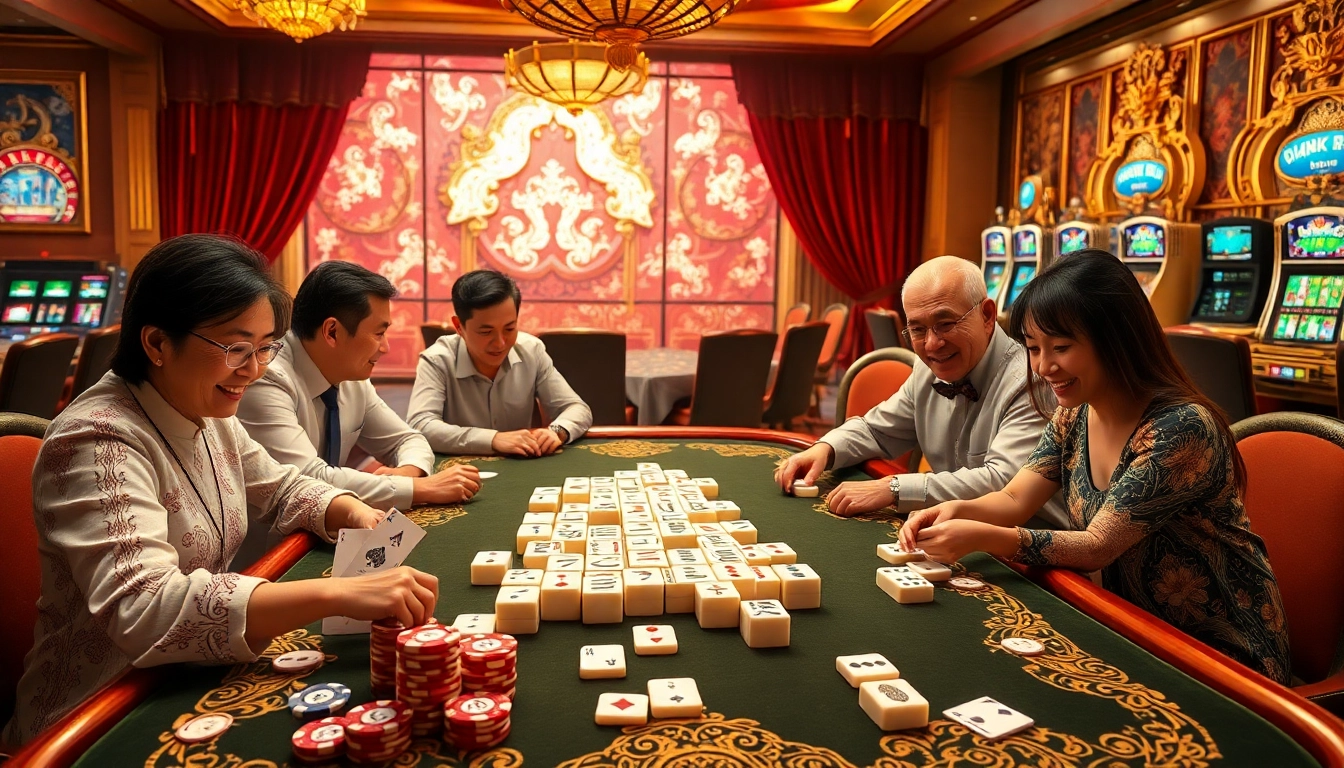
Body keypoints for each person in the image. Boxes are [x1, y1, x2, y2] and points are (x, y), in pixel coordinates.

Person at [3, 235, 439, 746]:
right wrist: (336, 593)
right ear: (158, 343)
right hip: (91, 720)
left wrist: (356, 514)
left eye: (264, 348)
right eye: (235, 348)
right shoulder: (96, 438)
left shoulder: (206, 412)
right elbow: (145, 606)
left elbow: (284, 487)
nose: (253, 371)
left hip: (182, 679)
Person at [898, 250, 1290, 683]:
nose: (1044, 367)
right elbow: (1013, 497)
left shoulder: (1181, 429)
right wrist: (956, 510)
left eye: (1061, 348)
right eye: (1033, 348)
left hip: (1223, 657)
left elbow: (1096, 546)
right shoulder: (1076, 413)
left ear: (1114, 337)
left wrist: (984, 537)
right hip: (1135, 630)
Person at [776, 255, 1067, 529]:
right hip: (957, 534)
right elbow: (876, 430)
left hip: (1030, 557)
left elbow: (1003, 482)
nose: (931, 344)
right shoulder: (927, 370)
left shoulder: (1035, 379)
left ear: (987, 315)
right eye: (917, 329)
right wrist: (824, 449)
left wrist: (893, 488)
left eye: (945, 324)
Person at [237, 261, 480, 510]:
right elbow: (308, 479)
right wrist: (421, 489)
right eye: (379, 334)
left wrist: (409, 472)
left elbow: (405, 439)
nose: (385, 348)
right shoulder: (265, 377)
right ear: (332, 332)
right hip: (278, 545)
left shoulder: (351, 375)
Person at [407, 270, 592, 457]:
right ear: (459, 326)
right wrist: (493, 439)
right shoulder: (437, 360)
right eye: (486, 332)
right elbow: (421, 424)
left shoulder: (531, 351)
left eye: (509, 328)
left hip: (522, 468)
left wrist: (557, 430)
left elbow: (577, 408)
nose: (500, 343)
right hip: (460, 473)